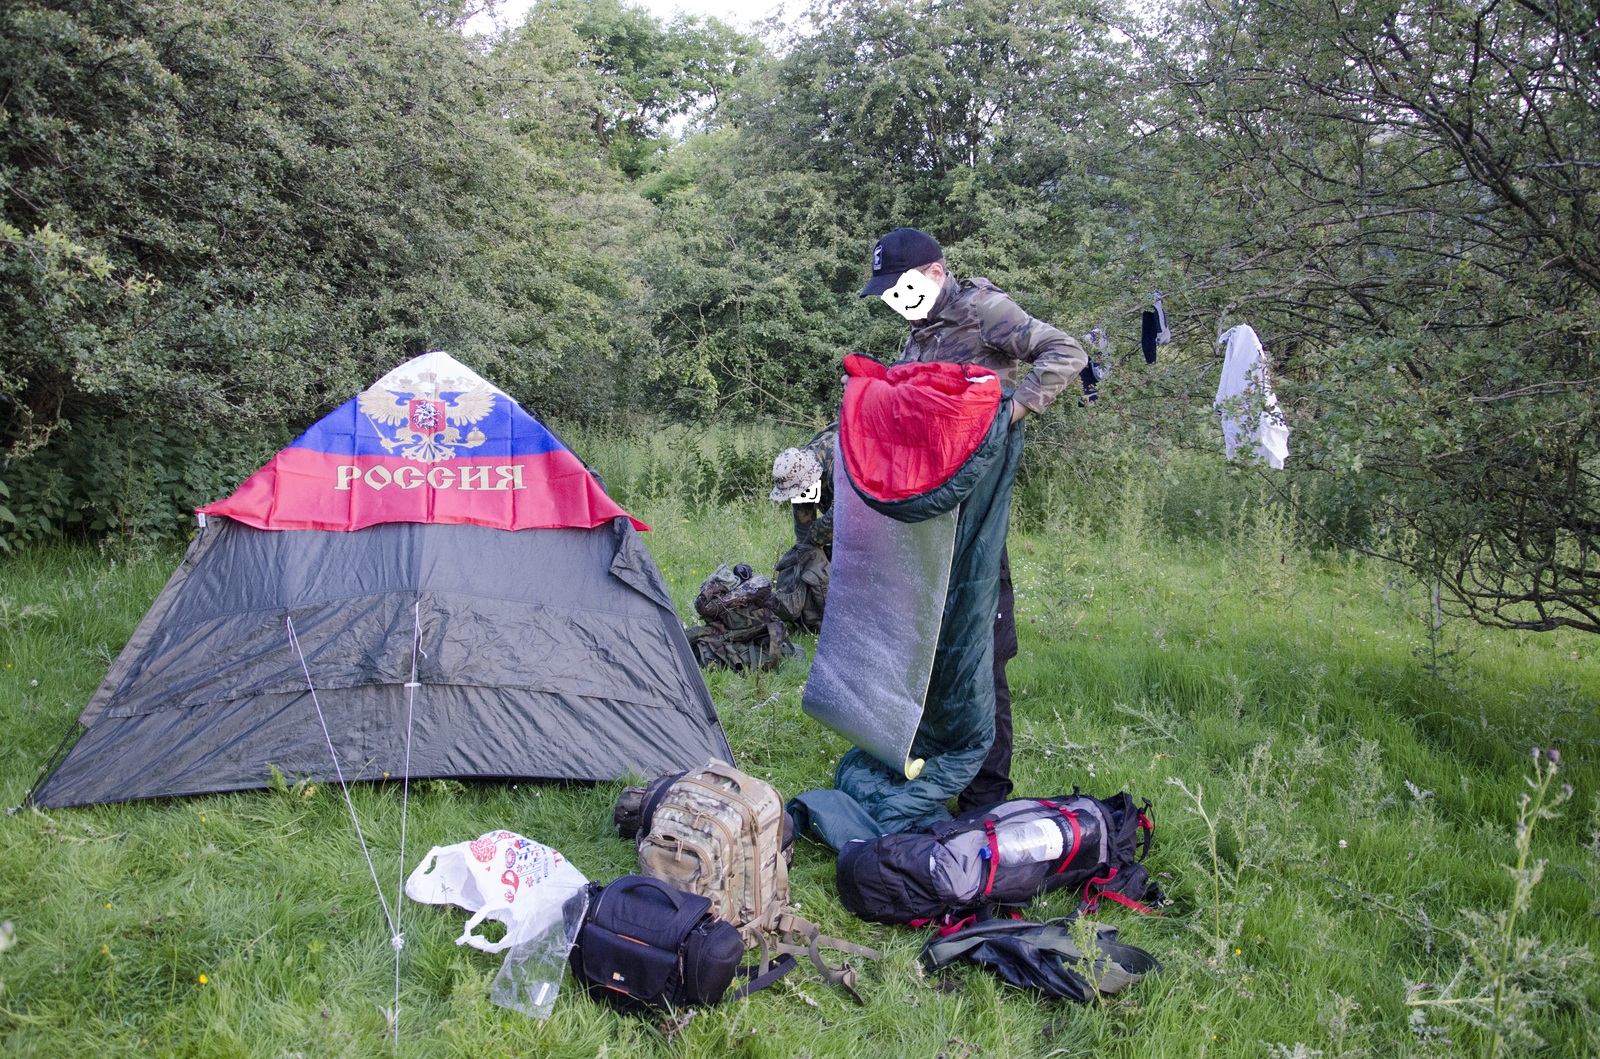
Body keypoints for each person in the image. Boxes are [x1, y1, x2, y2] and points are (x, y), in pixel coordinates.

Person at [860, 227, 1087, 812]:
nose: (895, 299)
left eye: (902, 286)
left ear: (934, 272)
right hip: (930, 515)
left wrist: (1013, 410)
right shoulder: (918, 336)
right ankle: (936, 761)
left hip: (979, 513)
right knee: (932, 645)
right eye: (888, 291)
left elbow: (1066, 352)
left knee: (982, 648)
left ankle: (987, 794)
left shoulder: (984, 311)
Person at [769, 424, 838, 633]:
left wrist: (815, 539)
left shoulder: (838, 460)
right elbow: (804, 532)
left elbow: (843, 516)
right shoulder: (800, 473)